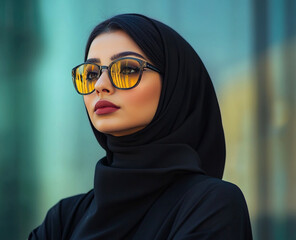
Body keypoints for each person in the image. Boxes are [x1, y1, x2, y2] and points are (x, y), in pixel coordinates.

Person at [29, 13, 253, 240]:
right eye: (91, 74)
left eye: (127, 69)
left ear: (173, 86)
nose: (100, 85)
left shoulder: (211, 204)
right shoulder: (63, 219)